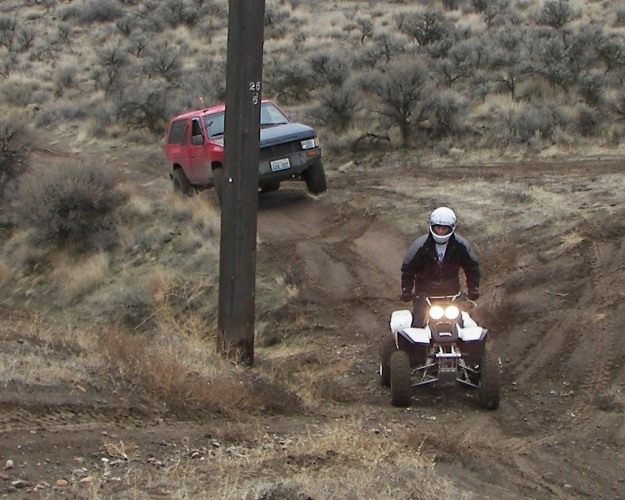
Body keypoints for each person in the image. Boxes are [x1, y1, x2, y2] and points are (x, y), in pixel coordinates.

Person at [400, 206, 480, 327]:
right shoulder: (419, 246)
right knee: (418, 325)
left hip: (451, 294)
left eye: (444, 228)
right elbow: (408, 269)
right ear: (432, 226)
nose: (441, 231)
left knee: (458, 325)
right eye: (438, 228)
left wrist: (473, 289)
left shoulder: (461, 245)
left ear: (451, 228)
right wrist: (407, 290)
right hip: (424, 294)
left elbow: (472, 268)